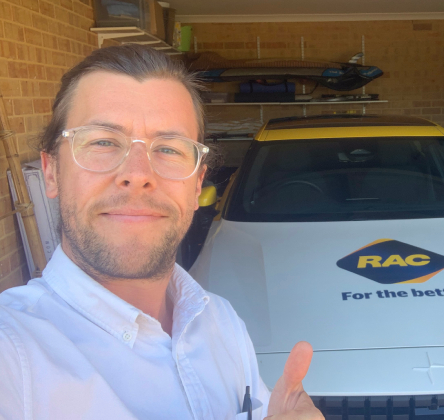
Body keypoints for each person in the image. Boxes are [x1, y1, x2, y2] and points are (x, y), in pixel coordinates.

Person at [0, 45, 324, 420]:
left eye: (168, 149)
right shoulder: (13, 352)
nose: (138, 173)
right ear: (52, 171)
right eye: (103, 142)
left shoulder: (220, 321)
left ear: (197, 183)